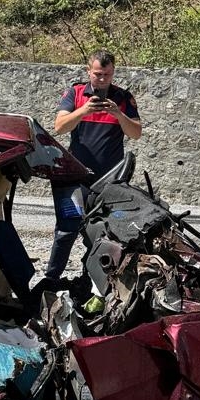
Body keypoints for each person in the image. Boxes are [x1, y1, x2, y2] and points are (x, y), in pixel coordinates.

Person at [45, 49, 142, 280]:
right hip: (75, 177)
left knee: (104, 233)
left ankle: (91, 284)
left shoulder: (123, 97)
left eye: (107, 75)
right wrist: (83, 110)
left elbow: (136, 133)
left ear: (113, 73)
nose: (102, 79)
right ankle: (50, 280)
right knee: (66, 230)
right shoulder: (75, 93)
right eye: (97, 74)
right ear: (89, 71)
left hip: (110, 181)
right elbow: (59, 126)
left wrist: (119, 114)